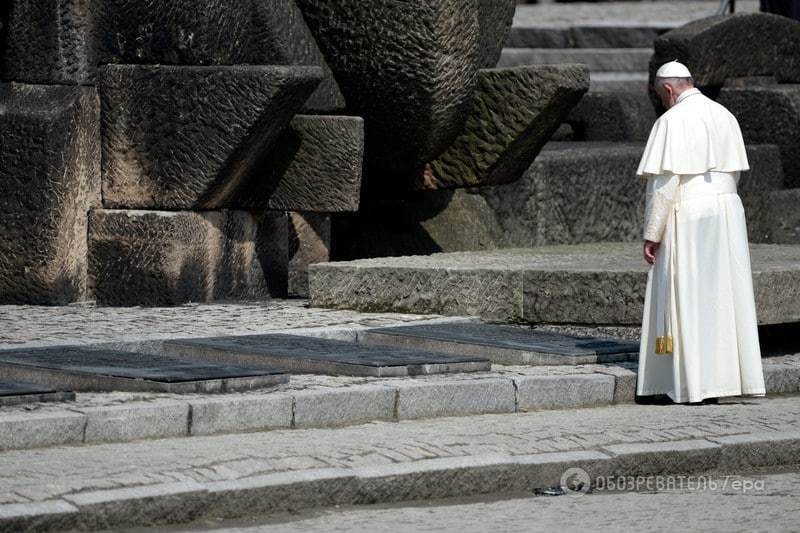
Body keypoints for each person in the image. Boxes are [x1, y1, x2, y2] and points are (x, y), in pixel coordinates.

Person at [636, 60, 766, 404]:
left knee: (688, 296)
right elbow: (734, 173)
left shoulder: (670, 121)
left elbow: (664, 185)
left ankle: (694, 386)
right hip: (728, 210)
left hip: (689, 212)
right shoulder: (725, 115)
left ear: (667, 89)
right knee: (724, 297)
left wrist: (653, 232)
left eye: (659, 95)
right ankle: (724, 381)